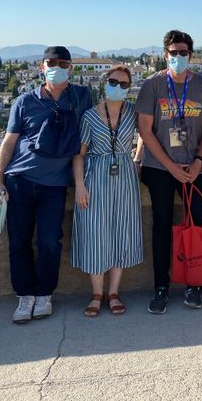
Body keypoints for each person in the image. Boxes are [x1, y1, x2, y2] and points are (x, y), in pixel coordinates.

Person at [0, 46, 93, 324]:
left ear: (71, 67)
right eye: (52, 62)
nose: (56, 67)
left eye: (62, 63)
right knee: (19, 241)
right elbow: (9, 142)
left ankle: (44, 293)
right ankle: (25, 295)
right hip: (19, 180)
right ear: (41, 66)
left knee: (49, 241)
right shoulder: (24, 102)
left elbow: (92, 130)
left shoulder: (81, 97)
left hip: (55, 185)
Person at [135, 30, 202, 313]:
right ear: (164, 55)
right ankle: (161, 287)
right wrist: (170, 166)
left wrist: (197, 160)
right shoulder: (152, 85)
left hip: (193, 166)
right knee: (162, 226)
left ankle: (195, 285)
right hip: (159, 167)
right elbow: (145, 129)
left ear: (191, 55)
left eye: (183, 53)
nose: (178, 57)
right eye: (173, 53)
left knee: (198, 222)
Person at [71, 65, 143, 316]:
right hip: (95, 177)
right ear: (104, 83)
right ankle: (97, 293)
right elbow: (79, 155)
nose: (118, 87)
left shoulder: (133, 112)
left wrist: (137, 158)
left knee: (120, 230)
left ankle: (113, 292)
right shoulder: (89, 116)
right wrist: (80, 186)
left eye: (124, 85)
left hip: (124, 176)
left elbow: (145, 134)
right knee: (95, 233)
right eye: (114, 82)